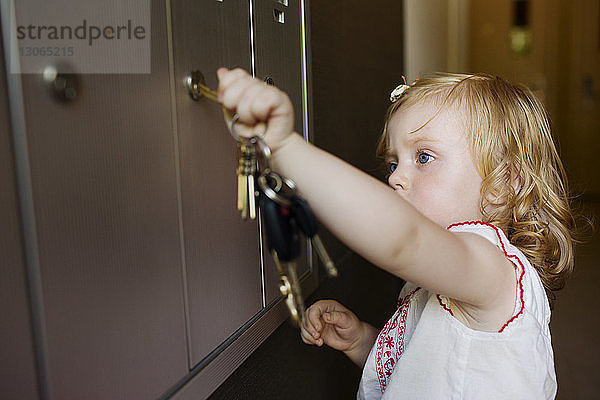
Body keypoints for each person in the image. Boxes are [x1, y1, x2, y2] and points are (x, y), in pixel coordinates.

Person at [216, 68, 577, 399]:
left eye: (423, 158)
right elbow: (424, 366)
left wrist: (285, 148)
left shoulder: (492, 269)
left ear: (503, 184)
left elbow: (404, 240)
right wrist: (362, 341)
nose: (394, 178)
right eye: (393, 163)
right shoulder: (440, 280)